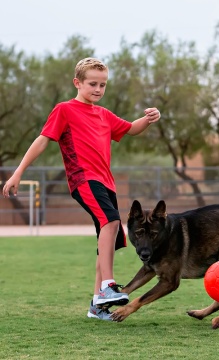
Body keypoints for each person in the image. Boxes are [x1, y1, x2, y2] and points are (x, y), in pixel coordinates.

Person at [2, 57, 161, 321]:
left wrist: (148, 119)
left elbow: (131, 129)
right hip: (84, 180)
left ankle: (97, 306)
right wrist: (18, 172)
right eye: (92, 84)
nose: (98, 89)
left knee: (107, 236)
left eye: (103, 85)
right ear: (77, 83)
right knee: (111, 222)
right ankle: (108, 287)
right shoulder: (64, 110)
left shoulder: (104, 114)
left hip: (107, 183)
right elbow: (42, 141)